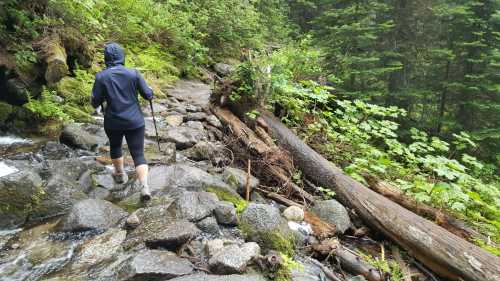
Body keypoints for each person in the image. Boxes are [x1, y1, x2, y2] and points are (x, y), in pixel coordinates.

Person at [91, 42, 153, 201]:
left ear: (106, 59)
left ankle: (120, 174)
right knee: (138, 154)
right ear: (122, 56)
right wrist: (150, 92)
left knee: (115, 146)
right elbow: (147, 94)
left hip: (113, 121)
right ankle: (144, 186)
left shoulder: (101, 77)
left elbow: (95, 102)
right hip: (135, 121)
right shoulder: (134, 73)